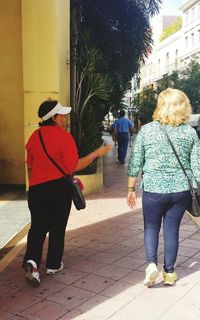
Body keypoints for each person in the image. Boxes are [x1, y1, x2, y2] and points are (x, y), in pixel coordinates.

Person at [23, 99, 112, 286]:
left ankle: (32, 261)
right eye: (62, 115)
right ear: (54, 118)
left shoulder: (34, 137)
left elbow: (30, 167)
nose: (65, 119)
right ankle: (53, 264)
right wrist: (96, 153)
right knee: (57, 227)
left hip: (36, 190)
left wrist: (36, 186)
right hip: (58, 189)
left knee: (37, 227)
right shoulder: (64, 137)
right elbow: (74, 166)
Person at [127, 88, 200, 287]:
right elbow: (197, 167)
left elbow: (135, 162)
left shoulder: (147, 130)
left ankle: (151, 265)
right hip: (180, 191)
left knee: (151, 227)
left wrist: (130, 189)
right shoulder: (189, 132)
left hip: (153, 190)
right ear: (183, 106)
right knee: (171, 230)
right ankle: (169, 273)